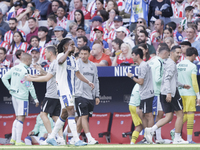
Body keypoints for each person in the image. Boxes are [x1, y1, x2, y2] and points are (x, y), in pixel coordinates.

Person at [46, 38, 94, 146]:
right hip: (63, 89)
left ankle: (51, 137)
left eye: (74, 44)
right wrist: (67, 51)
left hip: (71, 90)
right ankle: (76, 139)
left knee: (64, 114)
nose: (74, 46)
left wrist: (88, 82)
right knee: (71, 111)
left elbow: (77, 73)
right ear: (65, 47)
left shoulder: (73, 59)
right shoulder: (60, 56)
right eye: (71, 44)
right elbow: (60, 61)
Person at [145, 45, 190, 144]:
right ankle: (177, 138)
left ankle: (151, 130)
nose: (179, 55)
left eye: (180, 53)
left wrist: (182, 85)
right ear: (172, 53)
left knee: (169, 116)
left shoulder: (168, 63)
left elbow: (172, 80)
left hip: (164, 92)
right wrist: (169, 92)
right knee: (180, 114)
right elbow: (166, 79)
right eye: (177, 53)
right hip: (171, 93)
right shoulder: (171, 64)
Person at [25, 45, 65, 145]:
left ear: (50, 53)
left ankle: (51, 137)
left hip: (51, 94)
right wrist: (40, 72)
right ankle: (61, 139)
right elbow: (49, 75)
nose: (45, 54)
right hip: (57, 94)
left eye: (46, 52)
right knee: (56, 117)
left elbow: (47, 78)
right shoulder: (56, 63)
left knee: (43, 115)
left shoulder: (55, 63)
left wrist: (32, 79)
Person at [1, 53, 39, 145]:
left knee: (18, 117)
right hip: (22, 97)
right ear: (27, 60)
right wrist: (35, 99)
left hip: (14, 96)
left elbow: (4, 78)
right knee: (21, 118)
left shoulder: (14, 68)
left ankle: (13, 139)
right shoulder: (25, 71)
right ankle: (18, 141)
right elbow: (30, 86)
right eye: (30, 60)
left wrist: (9, 88)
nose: (31, 62)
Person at [128, 48, 154, 138]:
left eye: (133, 55)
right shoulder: (143, 65)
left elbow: (141, 82)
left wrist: (131, 77)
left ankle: (149, 136)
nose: (132, 57)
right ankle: (147, 136)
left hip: (147, 93)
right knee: (143, 114)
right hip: (145, 93)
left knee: (148, 115)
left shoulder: (142, 66)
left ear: (137, 55)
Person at [75, 45, 100, 144]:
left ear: (89, 54)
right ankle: (90, 138)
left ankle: (75, 138)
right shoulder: (76, 64)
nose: (83, 56)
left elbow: (96, 81)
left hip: (90, 95)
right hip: (79, 94)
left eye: (85, 54)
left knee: (82, 118)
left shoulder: (93, 66)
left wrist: (97, 95)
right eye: (81, 53)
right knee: (84, 116)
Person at [175, 47, 200, 143]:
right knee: (190, 115)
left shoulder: (178, 65)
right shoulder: (192, 66)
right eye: (195, 57)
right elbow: (194, 82)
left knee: (181, 115)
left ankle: (175, 131)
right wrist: (198, 96)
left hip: (179, 93)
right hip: (189, 93)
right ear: (193, 55)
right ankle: (189, 139)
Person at [148, 46, 170, 144]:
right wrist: (168, 79)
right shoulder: (160, 62)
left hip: (150, 91)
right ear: (165, 53)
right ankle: (151, 135)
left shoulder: (151, 61)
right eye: (168, 55)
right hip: (157, 92)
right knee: (156, 115)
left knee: (159, 114)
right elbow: (157, 79)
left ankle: (158, 138)